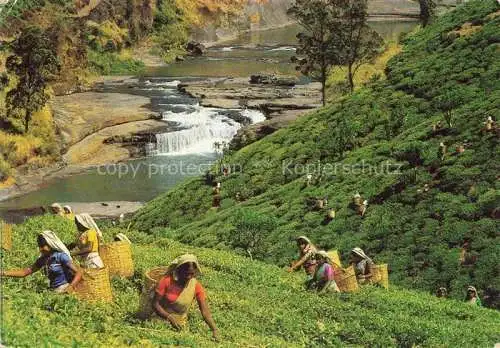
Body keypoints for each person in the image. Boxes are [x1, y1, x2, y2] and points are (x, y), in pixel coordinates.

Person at [153, 254, 218, 340]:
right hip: (159, 321)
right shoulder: (166, 281)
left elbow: (205, 311)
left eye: (191, 274)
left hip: (180, 325)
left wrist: (214, 330)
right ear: (179, 270)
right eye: (186, 273)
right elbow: (155, 303)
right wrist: (169, 317)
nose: (188, 277)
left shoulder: (196, 286)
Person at [1, 231, 82, 293]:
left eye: (43, 246)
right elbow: (25, 272)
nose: (40, 249)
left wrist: (71, 287)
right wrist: (4, 273)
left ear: (50, 244)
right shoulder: (43, 259)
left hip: (64, 288)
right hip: (53, 291)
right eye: (39, 246)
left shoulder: (60, 256)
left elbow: (79, 272)